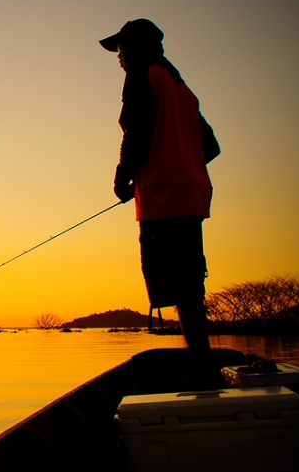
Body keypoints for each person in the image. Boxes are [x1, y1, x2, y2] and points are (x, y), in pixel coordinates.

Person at [100, 19, 221, 384]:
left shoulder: (141, 75)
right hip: (191, 195)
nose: (119, 58)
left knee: (180, 286)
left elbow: (133, 130)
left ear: (136, 49)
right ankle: (203, 365)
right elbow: (211, 146)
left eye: (121, 50)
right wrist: (180, 161)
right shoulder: (181, 88)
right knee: (189, 285)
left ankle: (202, 371)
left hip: (165, 198)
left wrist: (124, 178)